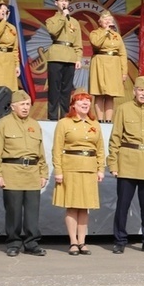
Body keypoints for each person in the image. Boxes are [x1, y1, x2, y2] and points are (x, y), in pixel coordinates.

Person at [107, 77, 144, 254]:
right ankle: (120, 240)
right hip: (127, 161)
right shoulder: (123, 109)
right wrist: (113, 163)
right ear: (134, 91)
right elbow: (115, 138)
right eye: (140, 90)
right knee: (123, 205)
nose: (143, 94)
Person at [0, 90, 49, 257]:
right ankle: (14, 242)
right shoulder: (3, 124)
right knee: (13, 210)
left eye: (28, 104)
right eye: (22, 104)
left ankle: (32, 243)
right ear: (13, 106)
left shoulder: (35, 125)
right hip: (12, 172)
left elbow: (41, 152)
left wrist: (43, 173)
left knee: (32, 210)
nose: (25, 107)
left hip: (32, 172)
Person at [51, 90, 105, 254]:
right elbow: (57, 149)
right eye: (81, 100)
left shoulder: (94, 124)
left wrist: (100, 169)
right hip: (71, 169)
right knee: (72, 207)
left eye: (88, 101)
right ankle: (73, 241)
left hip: (89, 169)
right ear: (73, 104)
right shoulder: (64, 123)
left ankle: (82, 241)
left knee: (84, 207)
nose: (85, 103)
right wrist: (58, 171)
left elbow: (100, 149)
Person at [45, 0, 82, 120]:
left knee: (67, 89)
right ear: (56, 3)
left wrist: (78, 58)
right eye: (61, 1)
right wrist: (62, 16)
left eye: (66, 1)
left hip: (70, 56)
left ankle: (65, 116)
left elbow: (78, 41)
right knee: (54, 88)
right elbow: (53, 32)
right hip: (56, 55)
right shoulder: (51, 20)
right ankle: (52, 116)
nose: (64, 3)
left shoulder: (75, 22)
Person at [88, 10, 126, 122]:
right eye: (106, 19)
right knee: (99, 93)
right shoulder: (95, 33)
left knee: (110, 94)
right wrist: (105, 32)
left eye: (110, 20)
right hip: (100, 63)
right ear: (100, 22)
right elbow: (96, 43)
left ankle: (108, 120)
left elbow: (123, 53)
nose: (108, 21)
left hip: (114, 65)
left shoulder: (117, 36)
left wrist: (124, 72)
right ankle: (100, 119)